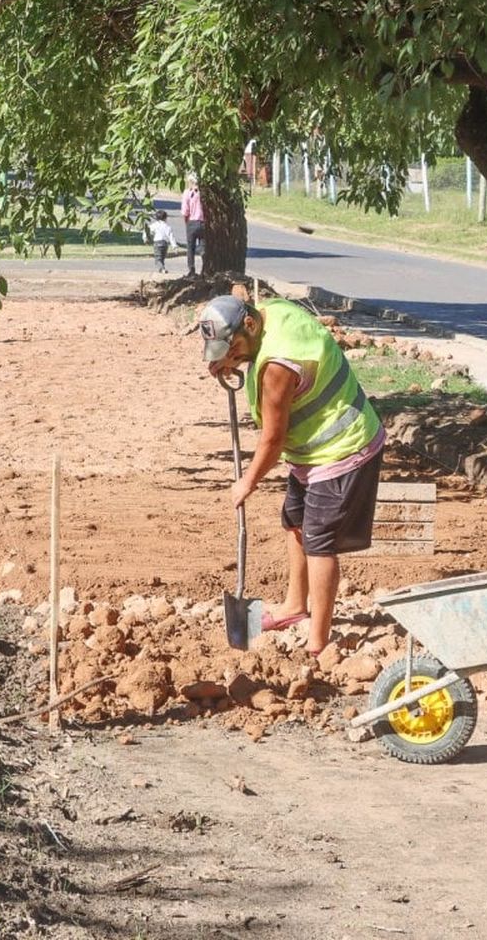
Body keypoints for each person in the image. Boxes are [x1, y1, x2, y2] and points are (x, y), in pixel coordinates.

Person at [196, 294, 384, 654]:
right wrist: (229, 359)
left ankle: (318, 642)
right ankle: (295, 607)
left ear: (249, 325)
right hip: (311, 452)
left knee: (319, 541)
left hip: (342, 449)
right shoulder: (271, 312)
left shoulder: (278, 367)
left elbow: (273, 439)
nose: (230, 355)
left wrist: (247, 483)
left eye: (232, 346)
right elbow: (244, 331)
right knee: (295, 522)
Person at [180, 176, 207, 277]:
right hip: (203, 222)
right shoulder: (204, 193)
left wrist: (186, 222)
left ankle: (191, 270)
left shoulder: (188, 193)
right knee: (203, 246)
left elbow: (185, 210)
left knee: (190, 248)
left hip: (191, 222)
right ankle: (205, 269)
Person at [143, 209, 177, 275]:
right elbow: (171, 237)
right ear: (165, 218)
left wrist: (145, 238)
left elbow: (147, 230)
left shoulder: (155, 225)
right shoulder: (167, 227)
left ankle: (162, 269)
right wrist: (174, 246)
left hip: (157, 243)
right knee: (162, 258)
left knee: (158, 259)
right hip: (165, 244)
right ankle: (161, 269)